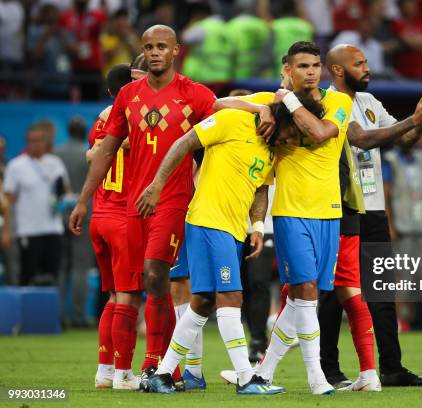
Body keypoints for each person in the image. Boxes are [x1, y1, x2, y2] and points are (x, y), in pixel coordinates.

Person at [133, 96, 324, 396]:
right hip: (209, 221)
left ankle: (163, 374)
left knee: (204, 302)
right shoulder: (231, 121)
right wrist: (157, 184)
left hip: (233, 228)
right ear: (282, 120)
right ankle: (246, 378)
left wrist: (257, 226)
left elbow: (260, 188)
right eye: (293, 132)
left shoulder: (271, 149)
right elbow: (185, 142)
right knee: (231, 296)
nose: (292, 139)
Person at [69, 25, 216, 389]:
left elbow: (221, 125)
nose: (154, 52)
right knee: (129, 291)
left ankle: (155, 366)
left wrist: (256, 106)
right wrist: (83, 199)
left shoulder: (194, 95)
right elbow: (106, 150)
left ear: (175, 51)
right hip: (131, 206)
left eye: (161, 46)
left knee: (155, 274)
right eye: (149, 46)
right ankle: (135, 372)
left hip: (171, 201)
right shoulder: (128, 96)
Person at [213, 41, 352, 395]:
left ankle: (263, 372)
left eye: (315, 65)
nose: (311, 72)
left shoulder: (339, 102)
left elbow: (320, 133)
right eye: (303, 66)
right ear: (287, 69)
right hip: (291, 212)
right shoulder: (272, 100)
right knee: (305, 291)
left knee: (304, 297)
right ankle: (315, 376)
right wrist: (259, 108)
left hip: (330, 211)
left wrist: (284, 102)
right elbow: (219, 104)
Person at [321, 44, 422, 388]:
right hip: (343, 207)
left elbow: (403, 141)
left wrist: (421, 122)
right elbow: (362, 138)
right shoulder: (329, 103)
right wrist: (413, 120)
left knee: (382, 290)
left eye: (366, 62)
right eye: (359, 64)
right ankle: (329, 370)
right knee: (335, 292)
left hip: (374, 210)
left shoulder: (370, 103)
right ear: (339, 70)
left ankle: (392, 367)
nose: (367, 68)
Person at [84, 63, 141, 390]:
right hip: (123, 218)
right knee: (128, 299)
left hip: (100, 215)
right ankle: (123, 373)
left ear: (109, 92)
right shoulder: (135, 118)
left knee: (112, 297)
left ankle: (104, 371)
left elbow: (92, 155)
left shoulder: (103, 118)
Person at [3, 123, 69, 286]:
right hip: (28, 231)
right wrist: (7, 231)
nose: (35, 144)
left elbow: (66, 190)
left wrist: (62, 200)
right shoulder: (16, 166)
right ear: (27, 142)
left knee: (52, 277)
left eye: (39, 140)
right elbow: (7, 202)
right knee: (28, 277)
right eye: (32, 141)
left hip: (53, 229)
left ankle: (50, 311)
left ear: (45, 142)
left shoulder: (55, 163)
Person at [56, 116, 93, 326]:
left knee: (62, 266)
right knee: (81, 266)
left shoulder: (57, 153)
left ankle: (59, 314)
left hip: (61, 214)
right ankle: (78, 316)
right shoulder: (87, 154)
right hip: (85, 213)